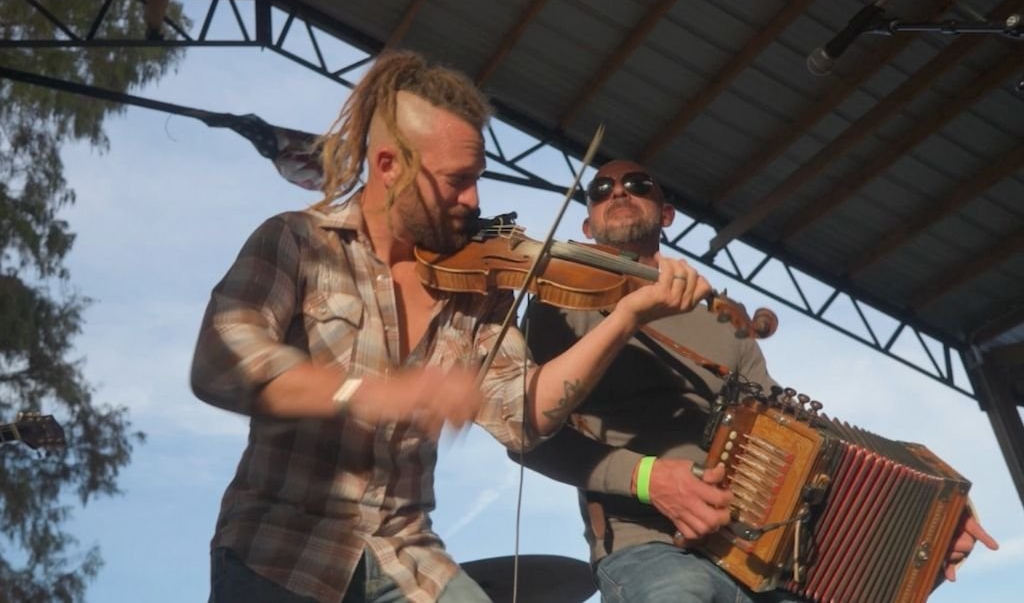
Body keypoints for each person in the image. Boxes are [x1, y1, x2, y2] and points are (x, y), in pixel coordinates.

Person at [190, 51, 711, 603]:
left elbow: (525, 417)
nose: (474, 200)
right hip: (282, 547)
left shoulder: (480, 287)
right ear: (389, 166)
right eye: (455, 181)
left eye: (477, 179)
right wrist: (375, 394)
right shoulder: (298, 242)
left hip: (407, 553)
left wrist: (625, 316)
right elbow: (222, 363)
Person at [515, 159, 999, 602]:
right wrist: (649, 480)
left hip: (759, 553)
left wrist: (931, 523)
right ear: (588, 224)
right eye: (601, 190)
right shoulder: (559, 306)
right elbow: (524, 435)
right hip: (652, 547)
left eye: (636, 185)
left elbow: (798, 443)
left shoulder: (724, 324)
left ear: (667, 216)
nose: (617, 192)